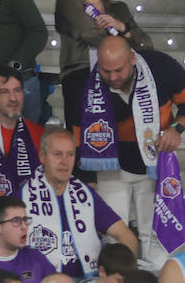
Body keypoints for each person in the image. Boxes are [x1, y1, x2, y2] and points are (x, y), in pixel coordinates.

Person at [71, 35, 185, 268]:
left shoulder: (161, 66)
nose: (112, 78)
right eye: (106, 71)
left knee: (156, 236)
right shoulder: (83, 83)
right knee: (114, 239)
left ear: (132, 59)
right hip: (110, 167)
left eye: (119, 70)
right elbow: (77, 137)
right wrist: (88, 179)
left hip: (156, 162)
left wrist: (176, 128)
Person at [23, 127, 136, 278]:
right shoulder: (23, 196)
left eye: (70, 154)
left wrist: (123, 277)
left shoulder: (84, 194)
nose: (65, 161)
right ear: (42, 157)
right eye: (57, 154)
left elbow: (126, 237)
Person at [55, 0, 153, 110]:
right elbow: (91, 35)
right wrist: (127, 36)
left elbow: (147, 45)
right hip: (83, 74)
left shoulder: (119, 8)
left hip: (122, 76)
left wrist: (123, 26)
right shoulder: (68, 1)